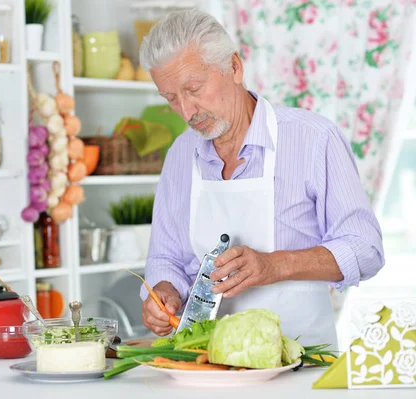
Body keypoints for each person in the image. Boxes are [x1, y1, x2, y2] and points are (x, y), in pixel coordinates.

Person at [139, 9, 384, 348]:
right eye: (170, 98)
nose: (186, 111)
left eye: (193, 89)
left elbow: (366, 249)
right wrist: (163, 291)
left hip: (302, 360)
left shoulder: (313, 139)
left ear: (235, 68)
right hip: (207, 361)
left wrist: (276, 265)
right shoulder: (181, 154)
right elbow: (165, 258)